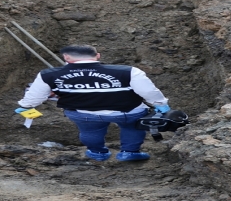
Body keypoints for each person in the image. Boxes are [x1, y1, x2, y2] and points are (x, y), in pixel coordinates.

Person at [16, 44, 170, 162]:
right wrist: (160, 105)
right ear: (97, 56)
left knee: (90, 132)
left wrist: (25, 106)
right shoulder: (128, 71)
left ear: (66, 58)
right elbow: (148, 91)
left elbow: (35, 96)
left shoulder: (49, 74)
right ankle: (130, 153)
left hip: (83, 113)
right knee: (133, 128)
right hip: (128, 111)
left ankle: (97, 153)